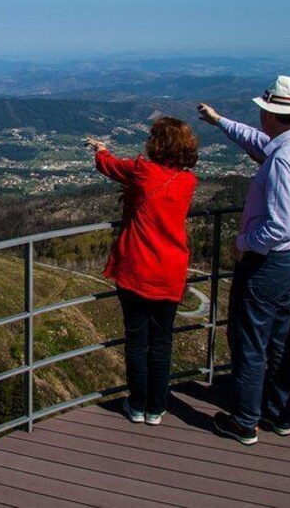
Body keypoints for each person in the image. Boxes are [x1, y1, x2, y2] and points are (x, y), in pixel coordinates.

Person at [197, 75, 290, 445]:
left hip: (268, 262)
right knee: (280, 339)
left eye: (263, 111)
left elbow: (279, 225)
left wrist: (244, 242)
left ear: (272, 114)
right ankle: (278, 413)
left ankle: (245, 420)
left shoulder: (282, 161)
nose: (261, 117)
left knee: (250, 341)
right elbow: (256, 141)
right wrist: (219, 122)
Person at [86, 116, 198, 426]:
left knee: (137, 341)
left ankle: (136, 405)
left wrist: (100, 150)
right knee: (162, 343)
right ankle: (156, 408)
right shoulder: (189, 181)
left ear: (156, 144)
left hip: (137, 270)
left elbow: (107, 166)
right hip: (171, 272)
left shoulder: (141, 171)